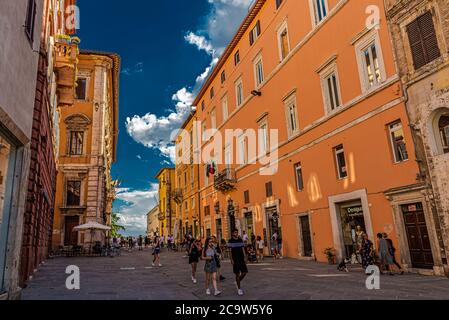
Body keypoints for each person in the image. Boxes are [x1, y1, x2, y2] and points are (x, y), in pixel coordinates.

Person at [228, 228, 248, 296]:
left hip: (241, 258)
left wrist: (245, 257)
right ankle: (239, 289)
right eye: (235, 232)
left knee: (244, 272)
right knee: (237, 273)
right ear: (233, 233)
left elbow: (243, 248)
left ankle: (237, 281)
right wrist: (231, 259)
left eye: (237, 232)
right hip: (235, 259)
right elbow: (230, 251)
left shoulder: (240, 239)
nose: (236, 233)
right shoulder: (230, 241)